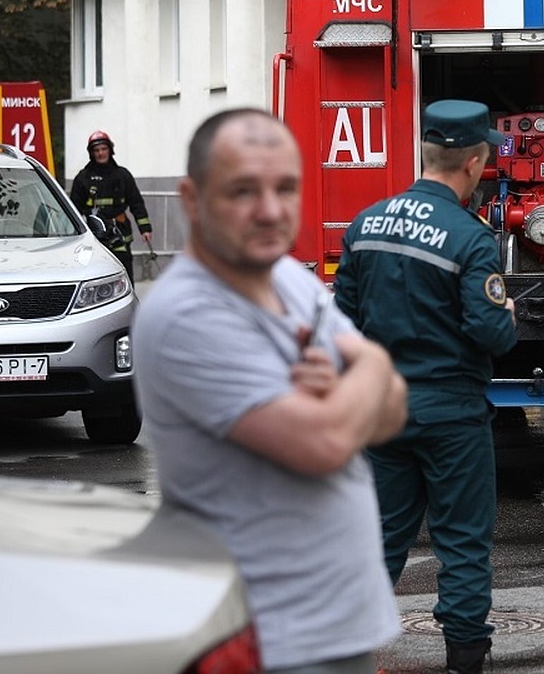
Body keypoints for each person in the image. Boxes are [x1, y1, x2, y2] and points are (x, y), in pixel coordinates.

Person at [133, 108, 408, 673]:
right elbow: (326, 443)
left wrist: (356, 391)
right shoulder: (187, 314)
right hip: (264, 640)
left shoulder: (288, 277)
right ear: (192, 198)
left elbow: (394, 411)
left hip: (334, 627)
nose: (270, 210)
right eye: (242, 191)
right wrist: (374, 363)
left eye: (286, 188)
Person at [335, 99, 518, 674]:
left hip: (381, 409)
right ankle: (464, 661)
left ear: (426, 155)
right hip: (451, 415)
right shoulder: (470, 238)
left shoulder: (365, 225)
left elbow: (341, 324)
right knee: (462, 543)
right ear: (474, 164)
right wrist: (507, 313)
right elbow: (491, 333)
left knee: (379, 540)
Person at [69, 130, 153, 283]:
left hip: (120, 234)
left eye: (104, 149)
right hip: (94, 237)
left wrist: (145, 228)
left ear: (110, 150)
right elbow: (73, 209)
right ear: (92, 153)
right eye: (97, 150)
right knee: (94, 276)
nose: (101, 153)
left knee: (124, 273)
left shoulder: (122, 175)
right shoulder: (83, 178)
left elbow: (136, 202)